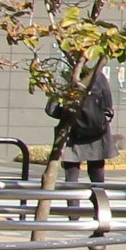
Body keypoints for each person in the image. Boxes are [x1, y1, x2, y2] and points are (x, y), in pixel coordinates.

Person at [51, 61, 120, 191]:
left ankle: (73, 210)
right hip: (97, 137)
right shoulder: (99, 77)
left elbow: (51, 109)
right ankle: (100, 208)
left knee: (71, 180)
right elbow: (108, 109)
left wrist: (70, 115)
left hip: (71, 135)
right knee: (98, 180)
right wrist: (94, 119)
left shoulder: (65, 78)